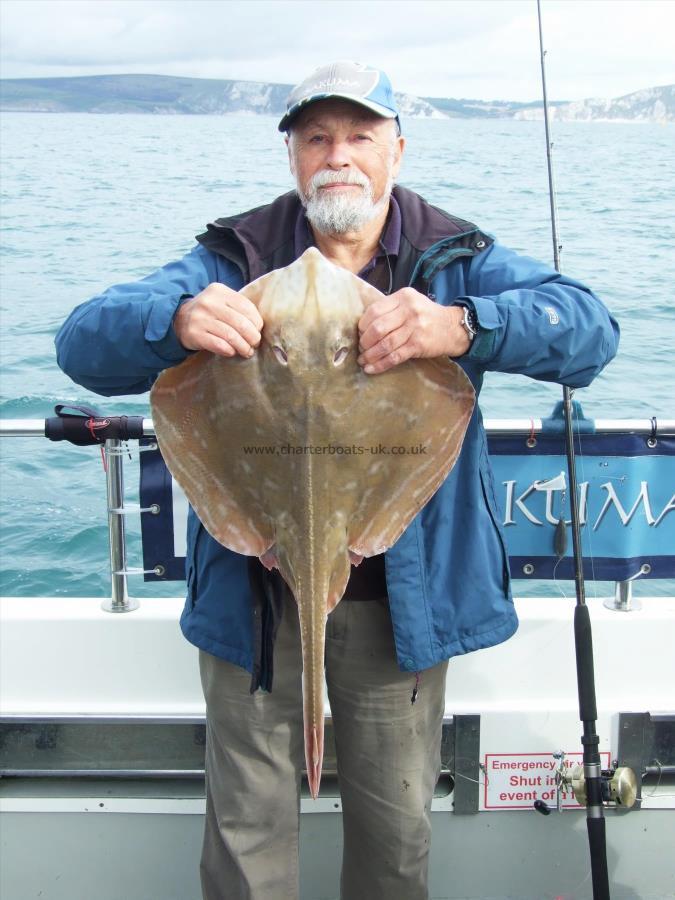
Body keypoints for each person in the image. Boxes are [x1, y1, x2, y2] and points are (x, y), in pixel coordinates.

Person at [56, 60, 619, 900]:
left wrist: (462, 325)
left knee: (396, 836)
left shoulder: (454, 259)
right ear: (292, 156)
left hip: (405, 614)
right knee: (245, 836)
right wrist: (170, 319)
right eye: (317, 137)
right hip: (254, 605)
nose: (338, 155)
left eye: (360, 136)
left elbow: (590, 331)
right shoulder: (230, 254)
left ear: (397, 149)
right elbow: (80, 345)